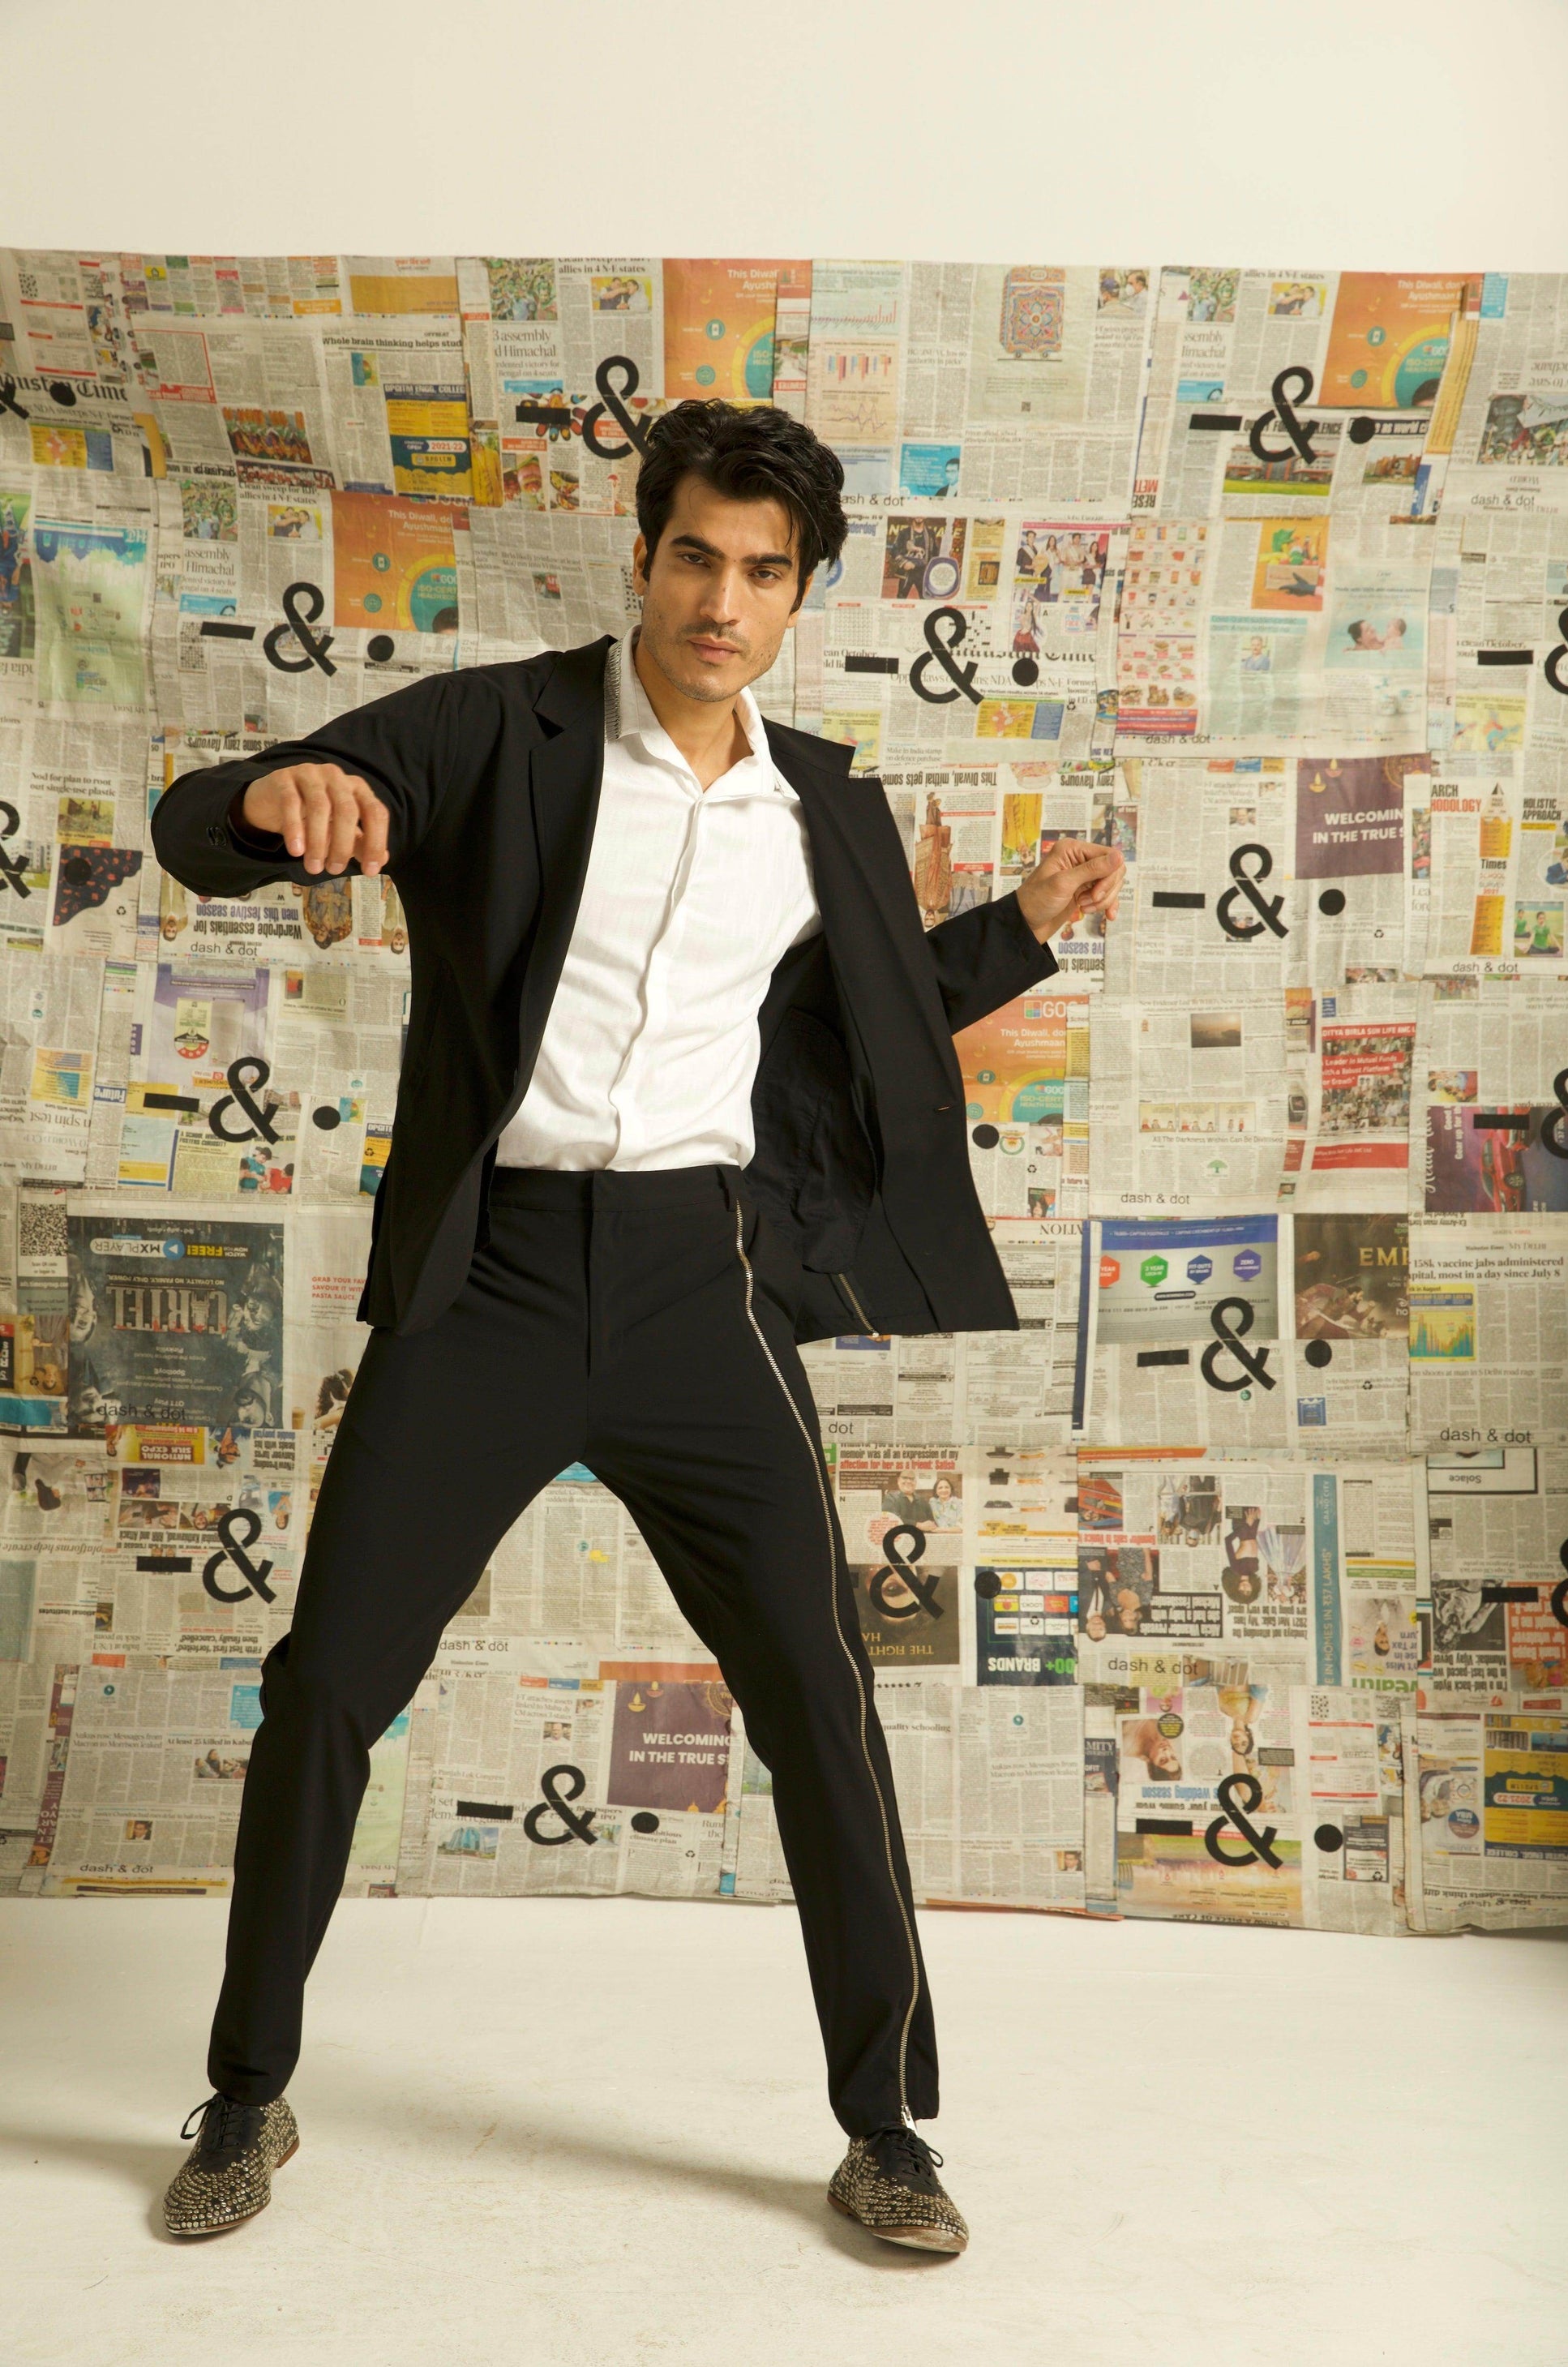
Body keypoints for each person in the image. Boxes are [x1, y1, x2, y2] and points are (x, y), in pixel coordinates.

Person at [148, 397, 1126, 2253]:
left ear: (801, 592)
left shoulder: (818, 801)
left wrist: (1012, 929)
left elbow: (856, 1021)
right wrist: (269, 803)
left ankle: (884, 2128)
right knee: (327, 1684)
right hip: (491, 1283)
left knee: (820, 1695)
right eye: (694, 556)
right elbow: (203, 821)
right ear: (644, 552)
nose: (720, 600)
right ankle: (247, 2090)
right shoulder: (492, 728)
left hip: (697, 1286)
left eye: (762, 571)